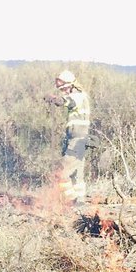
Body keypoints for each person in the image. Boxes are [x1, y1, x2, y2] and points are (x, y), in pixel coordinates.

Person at [45, 69, 91, 203]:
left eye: (63, 88)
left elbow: (64, 101)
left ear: (70, 84)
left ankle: (71, 199)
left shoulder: (77, 96)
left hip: (77, 140)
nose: (62, 90)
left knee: (62, 172)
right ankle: (80, 202)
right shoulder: (82, 96)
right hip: (79, 140)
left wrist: (53, 98)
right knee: (77, 173)